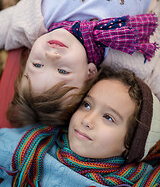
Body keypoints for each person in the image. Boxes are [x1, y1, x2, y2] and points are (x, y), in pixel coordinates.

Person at [0, 0, 160, 100]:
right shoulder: (117, 50)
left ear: (28, 58)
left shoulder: (32, 25)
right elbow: (153, 76)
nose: (50, 55)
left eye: (37, 64)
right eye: (62, 71)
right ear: (90, 72)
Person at [0, 67, 160, 186]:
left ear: (132, 144)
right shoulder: (30, 145)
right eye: (87, 105)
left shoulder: (140, 180)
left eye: (108, 117)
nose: (87, 120)